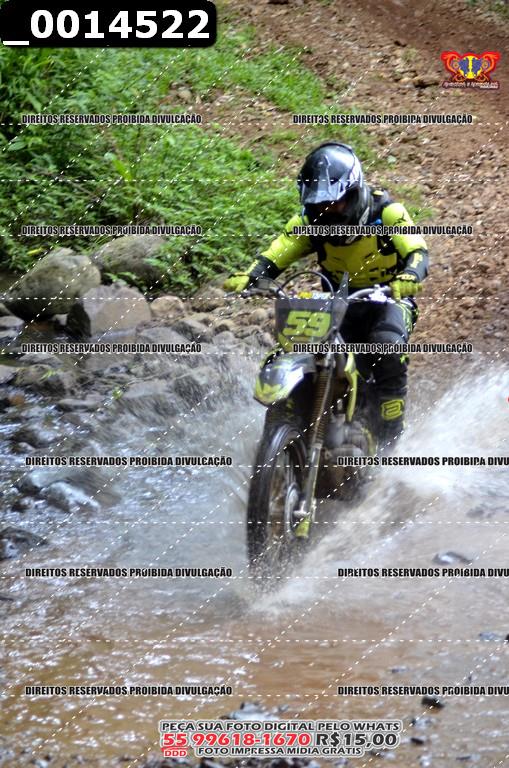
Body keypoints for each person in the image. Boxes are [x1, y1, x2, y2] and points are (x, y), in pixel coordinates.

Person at [224, 142, 429, 445]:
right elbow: (277, 253)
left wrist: (410, 275)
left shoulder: (387, 214)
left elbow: (417, 251)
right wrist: (252, 275)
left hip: (390, 298)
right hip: (338, 304)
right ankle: (287, 423)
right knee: (295, 346)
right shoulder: (308, 225)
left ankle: (389, 439)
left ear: (354, 194)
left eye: (335, 203)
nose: (327, 211)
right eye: (319, 205)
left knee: (387, 346)